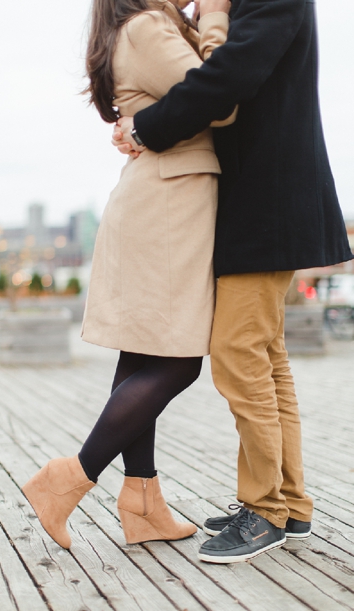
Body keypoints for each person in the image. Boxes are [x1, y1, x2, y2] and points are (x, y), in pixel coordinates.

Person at [113, 0, 353, 563]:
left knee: (237, 351)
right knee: (265, 355)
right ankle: (290, 503)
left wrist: (145, 127)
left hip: (268, 202)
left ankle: (264, 509)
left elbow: (226, 81)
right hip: (259, 203)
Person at [22, 0, 234, 551]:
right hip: (168, 205)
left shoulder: (133, 29)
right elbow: (220, 98)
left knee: (141, 357)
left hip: (161, 198)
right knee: (180, 360)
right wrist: (213, 16)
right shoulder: (146, 27)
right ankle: (69, 478)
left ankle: (142, 505)